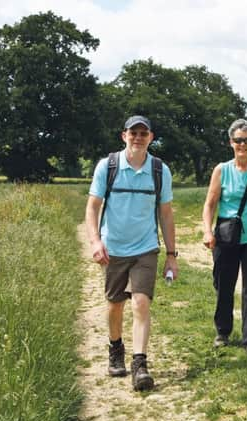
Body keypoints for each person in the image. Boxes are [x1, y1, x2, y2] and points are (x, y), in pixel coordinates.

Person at [85, 115, 178, 391]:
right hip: (113, 248)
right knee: (115, 304)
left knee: (140, 302)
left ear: (151, 137)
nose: (138, 138)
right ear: (123, 135)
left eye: (143, 133)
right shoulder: (108, 166)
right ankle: (116, 349)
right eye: (133, 133)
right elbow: (92, 207)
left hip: (145, 248)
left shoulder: (160, 170)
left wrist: (171, 254)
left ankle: (140, 365)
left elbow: (166, 214)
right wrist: (95, 241)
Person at [202, 119, 247, 359]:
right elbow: (210, 203)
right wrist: (207, 230)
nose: (242, 145)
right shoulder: (222, 170)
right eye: (238, 140)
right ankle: (222, 332)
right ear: (230, 143)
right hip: (226, 236)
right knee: (224, 284)